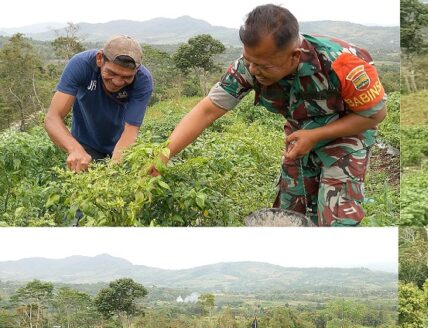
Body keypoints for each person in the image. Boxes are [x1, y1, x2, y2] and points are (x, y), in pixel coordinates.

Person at [152, 4, 387, 226]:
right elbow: (207, 110)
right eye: (249, 61)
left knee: (337, 214)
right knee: (290, 210)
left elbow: (374, 115)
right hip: (299, 135)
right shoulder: (250, 65)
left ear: (295, 56)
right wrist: (164, 154)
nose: (254, 70)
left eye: (264, 66)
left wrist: (315, 136)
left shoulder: (343, 63)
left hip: (347, 132)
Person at [44, 35, 153, 172]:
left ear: (136, 71)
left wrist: (113, 170)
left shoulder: (143, 80)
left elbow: (131, 130)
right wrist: (75, 149)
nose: (117, 82)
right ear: (100, 58)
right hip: (85, 143)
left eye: (127, 77)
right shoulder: (81, 65)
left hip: (121, 144)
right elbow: (52, 117)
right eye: (111, 72)